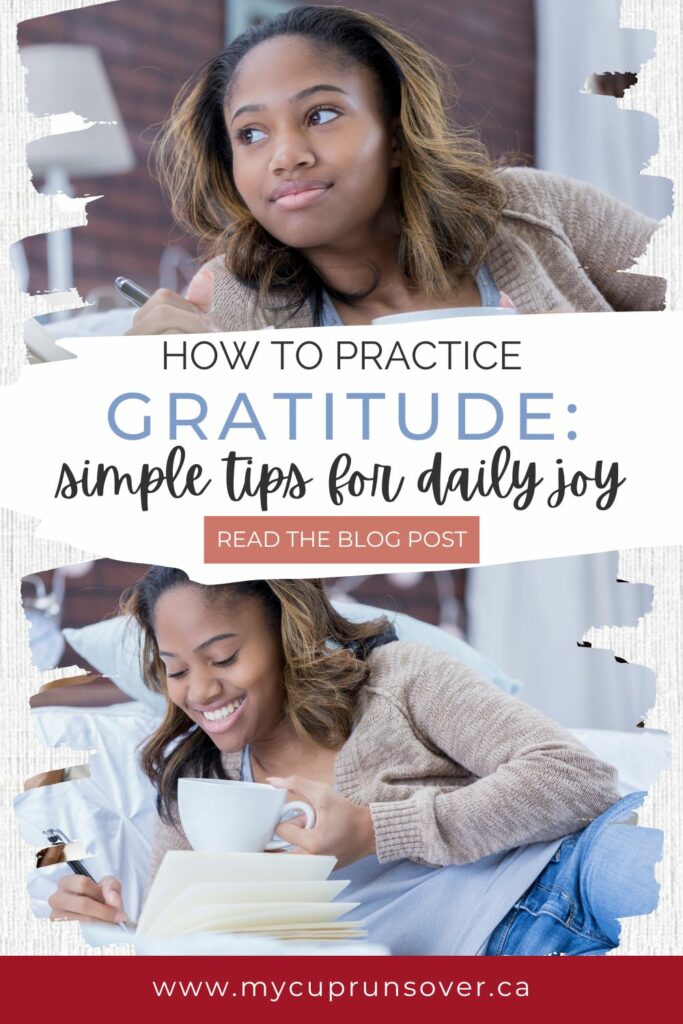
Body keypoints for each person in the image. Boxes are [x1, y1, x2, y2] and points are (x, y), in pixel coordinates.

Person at [48, 571, 662, 955]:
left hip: (577, 867)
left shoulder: (400, 680)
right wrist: (114, 926)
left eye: (224, 657)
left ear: (286, 633)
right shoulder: (198, 784)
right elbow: (186, 943)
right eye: (176, 669)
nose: (200, 690)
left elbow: (579, 779)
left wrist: (375, 831)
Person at [127, 5, 665, 337]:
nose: (285, 156)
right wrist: (146, 381)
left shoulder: (534, 210)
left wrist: (601, 360)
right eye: (251, 134)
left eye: (321, 114)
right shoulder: (229, 302)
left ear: (396, 134)